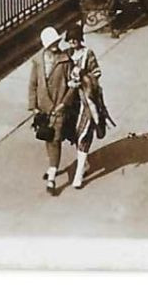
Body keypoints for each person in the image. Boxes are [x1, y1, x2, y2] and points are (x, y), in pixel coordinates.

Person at [62, 22, 113, 190]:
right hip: (72, 100)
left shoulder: (87, 54)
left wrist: (83, 79)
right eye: (70, 41)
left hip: (86, 99)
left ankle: (78, 175)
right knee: (75, 133)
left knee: (84, 133)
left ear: (80, 40)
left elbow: (96, 73)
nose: (72, 43)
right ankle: (85, 164)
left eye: (75, 40)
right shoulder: (67, 54)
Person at [27, 26, 74, 193]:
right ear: (46, 44)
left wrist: (64, 103)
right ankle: (52, 166)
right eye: (52, 43)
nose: (56, 45)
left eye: (57, 42)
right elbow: (33, 85)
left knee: (55, 139)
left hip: (59, 107)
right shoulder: (38, 62)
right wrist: (33, 107)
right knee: (48, 137)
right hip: (43, 108)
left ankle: (52, 178)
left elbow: (72, 86)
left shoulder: (65, 61)